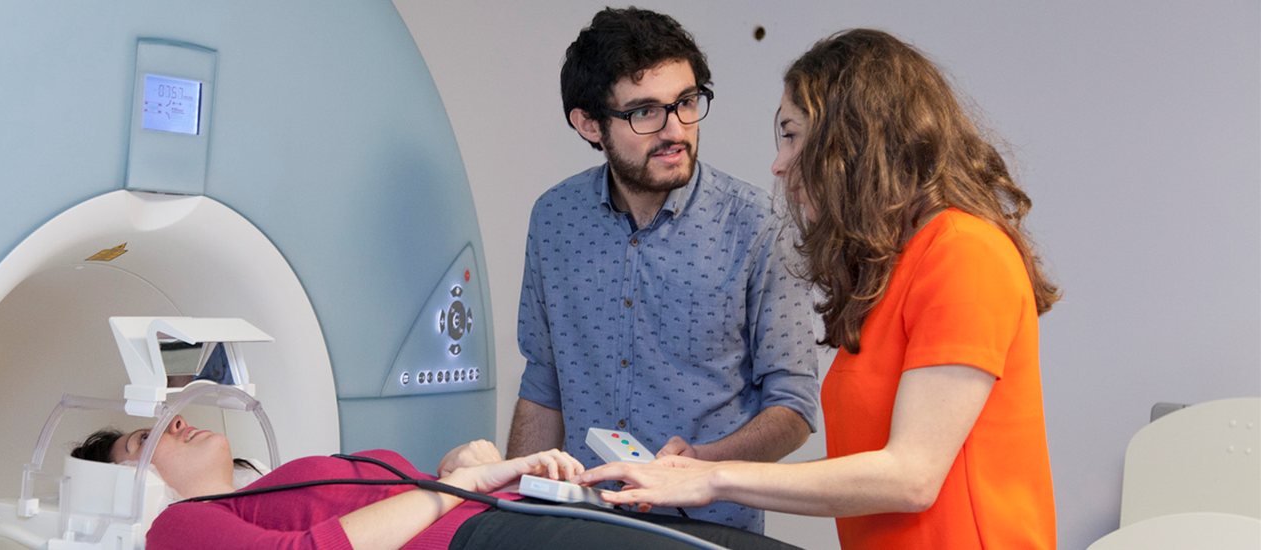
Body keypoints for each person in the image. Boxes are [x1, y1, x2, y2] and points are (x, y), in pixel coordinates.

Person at [580, 29, 1060, 549]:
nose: (778, 163)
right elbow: (867, 471)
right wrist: (706, 461)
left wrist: (712, 480)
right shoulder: (897, 267)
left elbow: (910, 476)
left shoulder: (966, 252)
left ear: (852, 139)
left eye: (791, 135)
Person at [509, 7, 820, 533]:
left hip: (711, 527)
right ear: (589, 123)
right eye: (645, 112)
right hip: (585, 524)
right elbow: (544, 383)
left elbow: (793, 408)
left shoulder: (758, 225)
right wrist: (518, 514)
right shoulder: (554, 219)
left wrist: (702, 464)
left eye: (686, 103)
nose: (676, 130)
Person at [72, 415, 801, 550]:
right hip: (479, 531)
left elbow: (398, 495)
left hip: (505, 507)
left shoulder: (279, 480)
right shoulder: (175, 526)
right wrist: (465, 484)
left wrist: (458, 464)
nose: (173, 424)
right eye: (143, 440)